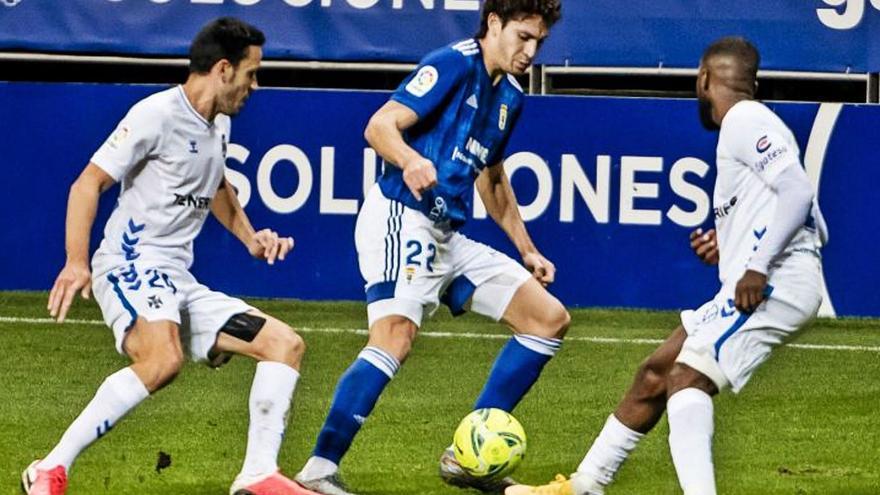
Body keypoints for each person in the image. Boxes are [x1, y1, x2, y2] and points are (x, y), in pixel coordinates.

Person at [505, 36, 829, 495]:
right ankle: (584, 485)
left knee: (685, 377)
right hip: (763, 280)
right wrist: (734, 245)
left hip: (773, 285)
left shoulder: (743, 118)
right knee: (657, 371)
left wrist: (755, 266)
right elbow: (817, 225)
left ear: (703, 80)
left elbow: (798, 193)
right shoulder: (760, 123)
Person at [22, 17, 319, 495]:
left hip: (176, 282)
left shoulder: (216, 125)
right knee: (161, 360)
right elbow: (88, 183)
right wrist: (75, 261)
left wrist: (250, 238)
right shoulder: (155, 115)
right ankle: (50, 468)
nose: (255, 86)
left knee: (284, 345)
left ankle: (258, 474)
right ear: (224, 69)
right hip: (130, 263)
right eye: (251, 73)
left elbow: (217, 185)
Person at [292, 1, 567, 494]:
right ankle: (318, 470)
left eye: (539, 43)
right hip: (400, 215)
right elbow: (379, 126)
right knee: (394, 335)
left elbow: (494, 180)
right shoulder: (452, 63)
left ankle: (469, 455)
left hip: (446, 234)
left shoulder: (511, 96)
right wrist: (409, 159)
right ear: (493, 24)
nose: (531, 51)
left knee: (547, 319)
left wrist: (527, 248)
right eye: (523, 37)